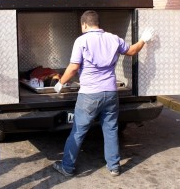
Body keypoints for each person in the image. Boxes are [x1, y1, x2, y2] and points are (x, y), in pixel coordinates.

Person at [52, 10, 154, 177]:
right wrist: (143, 39)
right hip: (110, 93)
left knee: (78, 131)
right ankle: (114, 167)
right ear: (97, 23)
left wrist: (60, 83)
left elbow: (73, 67)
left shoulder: (81, 40)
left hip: (89, 95)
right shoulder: (113, 38)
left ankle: (67, 167)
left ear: (84, 24)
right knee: (111, 129)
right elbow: (132, 51)